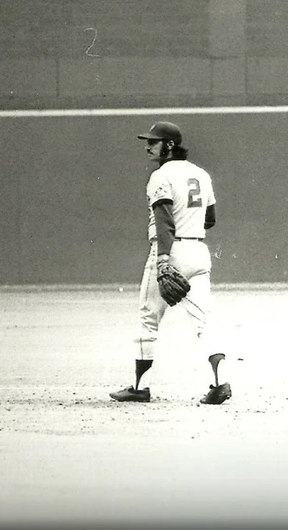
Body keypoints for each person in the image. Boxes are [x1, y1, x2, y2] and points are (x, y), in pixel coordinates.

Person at [110, 121, 231, 406]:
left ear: (170, 145)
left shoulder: (161, 176)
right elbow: (210, 219)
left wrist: (164, 258)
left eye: (153, 142)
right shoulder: (201, 175)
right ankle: (220, 383)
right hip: (198, 252)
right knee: (204, 321)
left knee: (147, 317)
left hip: (169, 251)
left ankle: (140, 388)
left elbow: (164, 221)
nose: (148, 146)